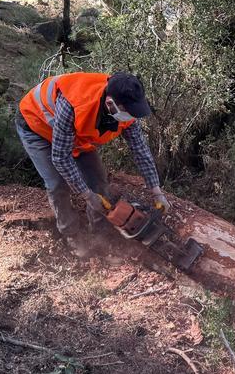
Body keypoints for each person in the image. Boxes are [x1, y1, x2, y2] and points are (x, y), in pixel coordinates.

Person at [16, 71, 169, 254]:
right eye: (129, 113)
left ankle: (100, 235)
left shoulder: (127, 108)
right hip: (37, 127)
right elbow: (60, 157)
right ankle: (71, 234)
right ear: (110, 104)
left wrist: (156, 191)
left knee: (98, 182)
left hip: (74, 138)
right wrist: (87, 195)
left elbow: (140, 150)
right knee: (57, 183)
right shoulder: (74, 103)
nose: (131, 117)